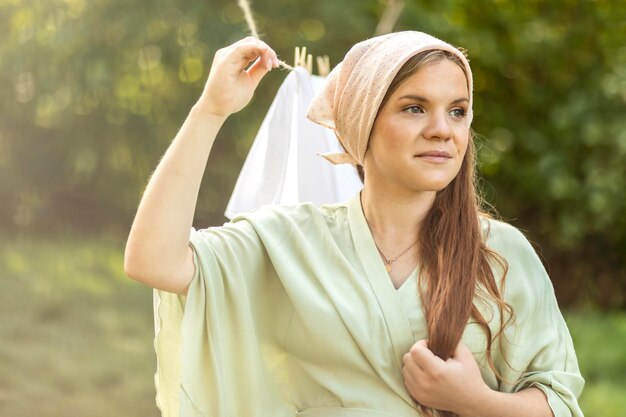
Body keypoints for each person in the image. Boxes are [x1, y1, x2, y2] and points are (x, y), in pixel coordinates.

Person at [124, 31, 584, 417]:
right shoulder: (291, 242)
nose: (443, 129)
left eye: (458, 111)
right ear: (363, 122)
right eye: (414, 107)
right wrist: (210, 111)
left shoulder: (501, 253)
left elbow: (559, 401)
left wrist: (474, 400)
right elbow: (153, 260)